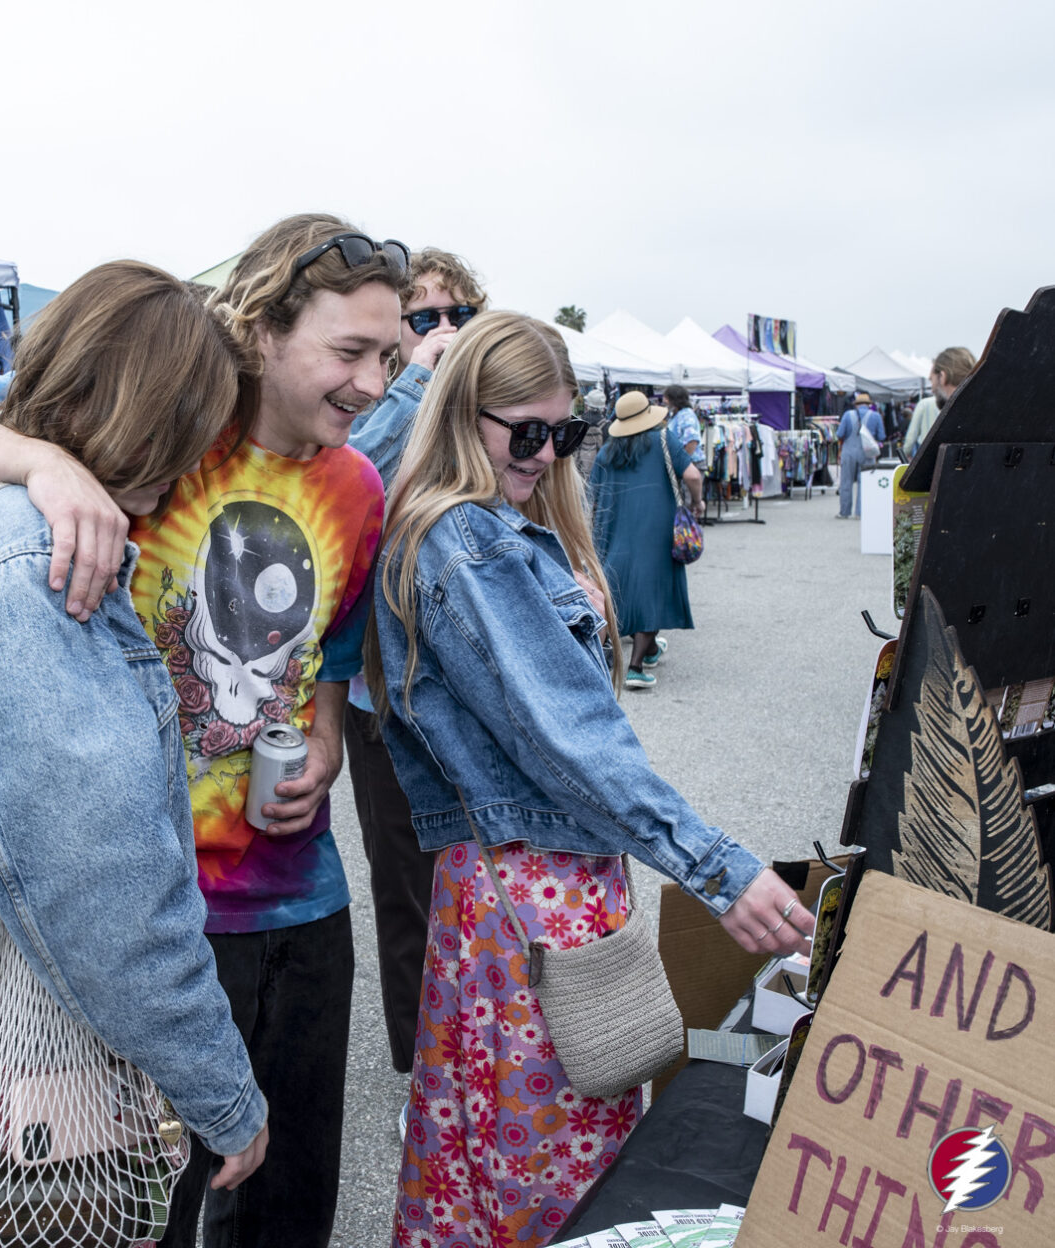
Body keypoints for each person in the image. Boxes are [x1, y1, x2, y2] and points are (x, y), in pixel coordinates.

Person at [0, 213, 407, 1248]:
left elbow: (333, 648)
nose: (374, 383)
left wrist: (324, 740)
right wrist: (36, 467)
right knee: (139, 1200)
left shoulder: (355, 486)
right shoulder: (158, 415)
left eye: (394, 357)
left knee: (283, 1203)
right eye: (350, 351)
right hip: (148, 923)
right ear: (264, 333)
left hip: (296, 899)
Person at [364, 310, 814, 1248]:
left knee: (494, 1147)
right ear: (459, 415)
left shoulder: (490, 531)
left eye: (563, 433)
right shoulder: (467, 541)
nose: (544, 453)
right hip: (532, 889)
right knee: (548, 1161)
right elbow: (571, 743)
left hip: (526, 886)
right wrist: (717, 868)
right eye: (523, 432)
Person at [344, 248, 489, 1103]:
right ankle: (421, 1080)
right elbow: (345, 481)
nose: (440, 332)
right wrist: (410, 386)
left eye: (454, 317)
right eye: (422, 316)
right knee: (407, 891)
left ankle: (488, 1063)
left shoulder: (488, 404)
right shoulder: (369, 401)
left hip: (472, 684)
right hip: (381, 691)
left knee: (487, 876)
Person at [589, 390, 705, 689]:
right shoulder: (664, 441)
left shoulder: (607, 452)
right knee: (653, 588)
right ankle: (636, 667)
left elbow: (592, 494)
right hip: (657, 528)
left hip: (613, 528)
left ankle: (648, 649)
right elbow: (693, 475)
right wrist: (697, 502)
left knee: (619, 586)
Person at [902, 346, 977, 457]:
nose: (932, 388)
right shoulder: (980, 409)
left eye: (932, 379)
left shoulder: (956, 416)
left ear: (942, 376)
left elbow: (911, 437)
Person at [834, 392, 886, 519]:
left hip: (848, 452)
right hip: (867, 453)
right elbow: (881, 436)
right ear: (869, 405)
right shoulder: (876, 416)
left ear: (856, 405)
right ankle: (860, 512)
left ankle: (844, 512)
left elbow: (839, 434)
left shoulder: (847, 415)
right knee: (865, 483)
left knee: (846, 482)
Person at [662, 382, 706, 472]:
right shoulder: (676, 415)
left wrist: (682, 464)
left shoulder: (686, 415)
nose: (664, 401)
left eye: (666, 398)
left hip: (692, 464)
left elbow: (692, 441)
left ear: (674, 399)